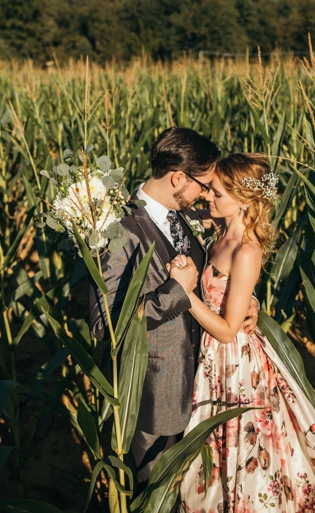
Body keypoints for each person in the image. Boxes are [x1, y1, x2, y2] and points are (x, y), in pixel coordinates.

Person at [177, 153, 315, 513]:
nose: (208, 196)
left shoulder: (247, 251)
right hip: (211, 357)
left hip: (233, 363)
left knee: (237, 443)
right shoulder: (218, 227)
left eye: (217, 193)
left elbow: (228, 330)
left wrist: (184, 294)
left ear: (244, 200)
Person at [88, 128, 260, 491]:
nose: (206, 194)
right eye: (204, 185)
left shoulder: (183, 215)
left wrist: (246, 300)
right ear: (179, 178)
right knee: (156, 495)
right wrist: (174, 292)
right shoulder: (118, 230)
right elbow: (105, 325)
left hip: (204, 387)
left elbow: (223, 264)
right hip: (157, 396)